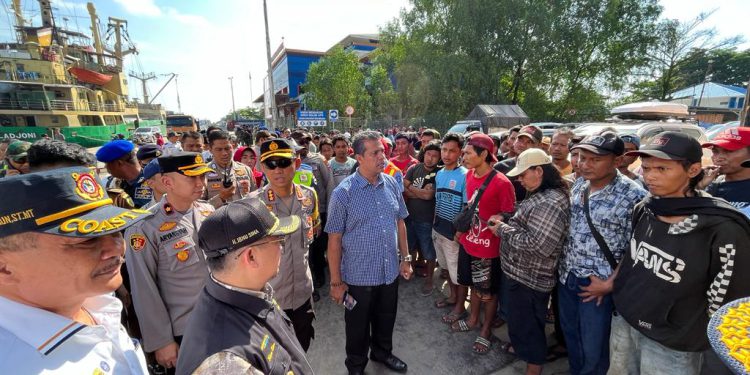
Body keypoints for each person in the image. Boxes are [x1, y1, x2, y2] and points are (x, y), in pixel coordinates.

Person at [610, 131, 750, 375]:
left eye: (662, 169)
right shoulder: (645, 208)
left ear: (693, 170)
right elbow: (633, 259)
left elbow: (727, 299)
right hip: (626, 322)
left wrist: (691, 335)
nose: (650, 176)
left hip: (674, 343)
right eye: (646, 167)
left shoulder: (723, 227)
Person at [0, 166, 150, 374]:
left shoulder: (98, 305)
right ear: (4, 268)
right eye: (87, 240)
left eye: (116, 232)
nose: (117, 248)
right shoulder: (13, 364)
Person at [175, 173, 313, 374]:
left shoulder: (251, 291)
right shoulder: (225, 362)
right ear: (251, 257)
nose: (282, 248)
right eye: (278, 241)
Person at [558, 132, 646, 375]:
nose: (584, 164)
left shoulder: (634, 196)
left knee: (595, 347)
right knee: (571, 335)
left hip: (598, 285)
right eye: (581, 157)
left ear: (617, 161)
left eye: (594, 159)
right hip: (568, 276)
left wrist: (610, 284)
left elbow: (636, 248)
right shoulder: (579, 185)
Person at [326, 131, 412, 375]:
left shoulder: (392, 183)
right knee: (357, 328)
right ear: (359, 157)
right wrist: (335, 282)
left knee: (386, 318)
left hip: (389, 273)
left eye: (383, 151)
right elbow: (334, 240)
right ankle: (355, 366)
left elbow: (400, 223)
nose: (382, 157)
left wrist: (405, 259)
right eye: (375, 152)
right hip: (358, 277)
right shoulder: (343, 193)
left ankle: (382, 353)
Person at [124, 152, 216, 372]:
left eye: (202, 176)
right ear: (167, 182)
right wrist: (161, 341)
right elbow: (143, 288)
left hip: (221, 319)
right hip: (184, 331)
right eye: (192, 177)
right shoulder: (144, 227)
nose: (200, 183)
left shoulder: (207, 211)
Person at [488, 149, 570, 375]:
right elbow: (526, 217)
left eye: (523, 174)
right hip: (521, 274)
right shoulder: (542, 194)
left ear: (539, 171)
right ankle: (524, 349)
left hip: (530, 279)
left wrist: (502, 229)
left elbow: (539, 246)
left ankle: (533, 367)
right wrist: (506, 218)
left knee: (530, 326)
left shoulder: (550, 203)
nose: (519, 179)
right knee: (522, 322)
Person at [252, 138, 320, 351]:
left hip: (302, 294)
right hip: (269, 299)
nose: (277, 170)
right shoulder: (253, 204)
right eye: (270, 164)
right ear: (262, 167)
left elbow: (313, 232)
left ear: (296, 164)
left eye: (283, 162)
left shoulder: (309, 196)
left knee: (301, 349)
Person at [450, 133, 515, 355]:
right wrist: (462, 231)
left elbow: (510, 213)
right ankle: (472, 319)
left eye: (468, 152)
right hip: (469, 243)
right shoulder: (469, 175)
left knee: (487, 292)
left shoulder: (502, 182)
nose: (463, 156)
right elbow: (471, 207)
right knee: (472, 287)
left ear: (484, 154)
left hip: (488, 250)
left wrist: (501, 218)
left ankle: (485, 330)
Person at [432, 133, 470, 323]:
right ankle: (454, 297)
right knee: (447, 268)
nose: (447, 154)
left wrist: (459, 232)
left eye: (452, 150)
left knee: (458, 273)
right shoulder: (440, 173)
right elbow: (438, 200)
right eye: (444, 150)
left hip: (454, 234)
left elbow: (466, 208)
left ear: (460, 152)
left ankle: (460, 308)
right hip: (439, 228)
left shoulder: (465, 176)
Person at [292, 131, 335, 294]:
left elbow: (329, 184)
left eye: (306, 141)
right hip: (297, 212)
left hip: (319, 210)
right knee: (303, 247)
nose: (303, 144)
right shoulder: (288, 160)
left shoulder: (318, 159)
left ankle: (319, 274)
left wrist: (329, 209)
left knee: (318, 245)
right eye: (299, 141)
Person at [404, 140, 441, 295]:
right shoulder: (414, 168)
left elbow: (429, 196)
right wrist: (420, 192)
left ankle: (429, 280)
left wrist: (411, 188)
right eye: (428, 154)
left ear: (439, 158)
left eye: (434, 156)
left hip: (426, 219)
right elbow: (404, 189)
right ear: (423, 154)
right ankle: (409, 270)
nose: (430, 158)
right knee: (410, 247)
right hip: (409, 216)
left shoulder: (439, 173)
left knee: (428, 251)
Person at [700, 127, 750, 217]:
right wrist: (696, 187)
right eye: (715, 151)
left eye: (729, 151)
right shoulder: (709, 185)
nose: (718, 158)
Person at [203, 130, 257, 208]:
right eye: (219, 149)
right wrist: (221, 198)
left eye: (227, 148)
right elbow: (199, 209)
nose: (224, 153)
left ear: (232, 146)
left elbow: (254, 198)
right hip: (218, 219)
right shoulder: (204, 173)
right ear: (210, 150)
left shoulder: (246, 170)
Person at [97, 140, 154, 208]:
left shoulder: (153, 181)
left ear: (119, 163)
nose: (105, 167)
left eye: (107, 164)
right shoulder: (112, 183)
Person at [495, 125, 543, 203]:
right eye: (520, 140)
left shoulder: (543, 170)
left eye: (529, 142)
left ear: (539, 146)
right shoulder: (500, 168)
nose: (522, 145)